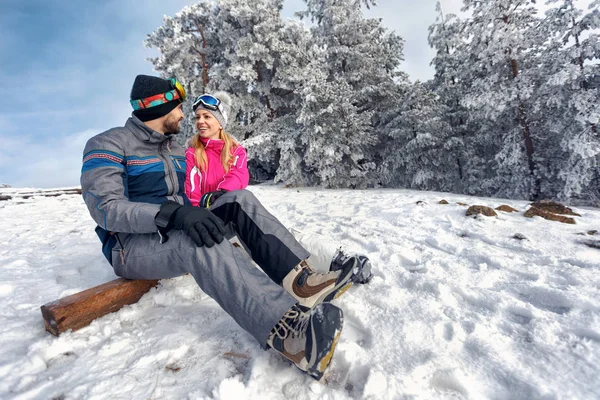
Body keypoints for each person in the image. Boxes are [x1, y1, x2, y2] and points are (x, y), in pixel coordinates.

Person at [80, 75, 358, 380]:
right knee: (191, 239)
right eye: (179, 108)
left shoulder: (174, 150)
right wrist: (173, 215)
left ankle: (302, 281)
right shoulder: (107, 144)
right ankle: (293, 336)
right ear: (159, 106)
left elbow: (201, 187)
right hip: (130, 247)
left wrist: (208, 201)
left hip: (176, 224)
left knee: (238, 198)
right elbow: (106, 209)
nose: (184, 115)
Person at [184, 92, 249, 208]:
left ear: (220, 123)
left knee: (247, 197)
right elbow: (191, 190)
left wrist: (222, 193)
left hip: (229, 208)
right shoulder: (192, 153)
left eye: (207, 116)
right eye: (198, 117)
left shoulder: (236, 151)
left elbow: (239, 175)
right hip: (203, 213)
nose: (200, 121)